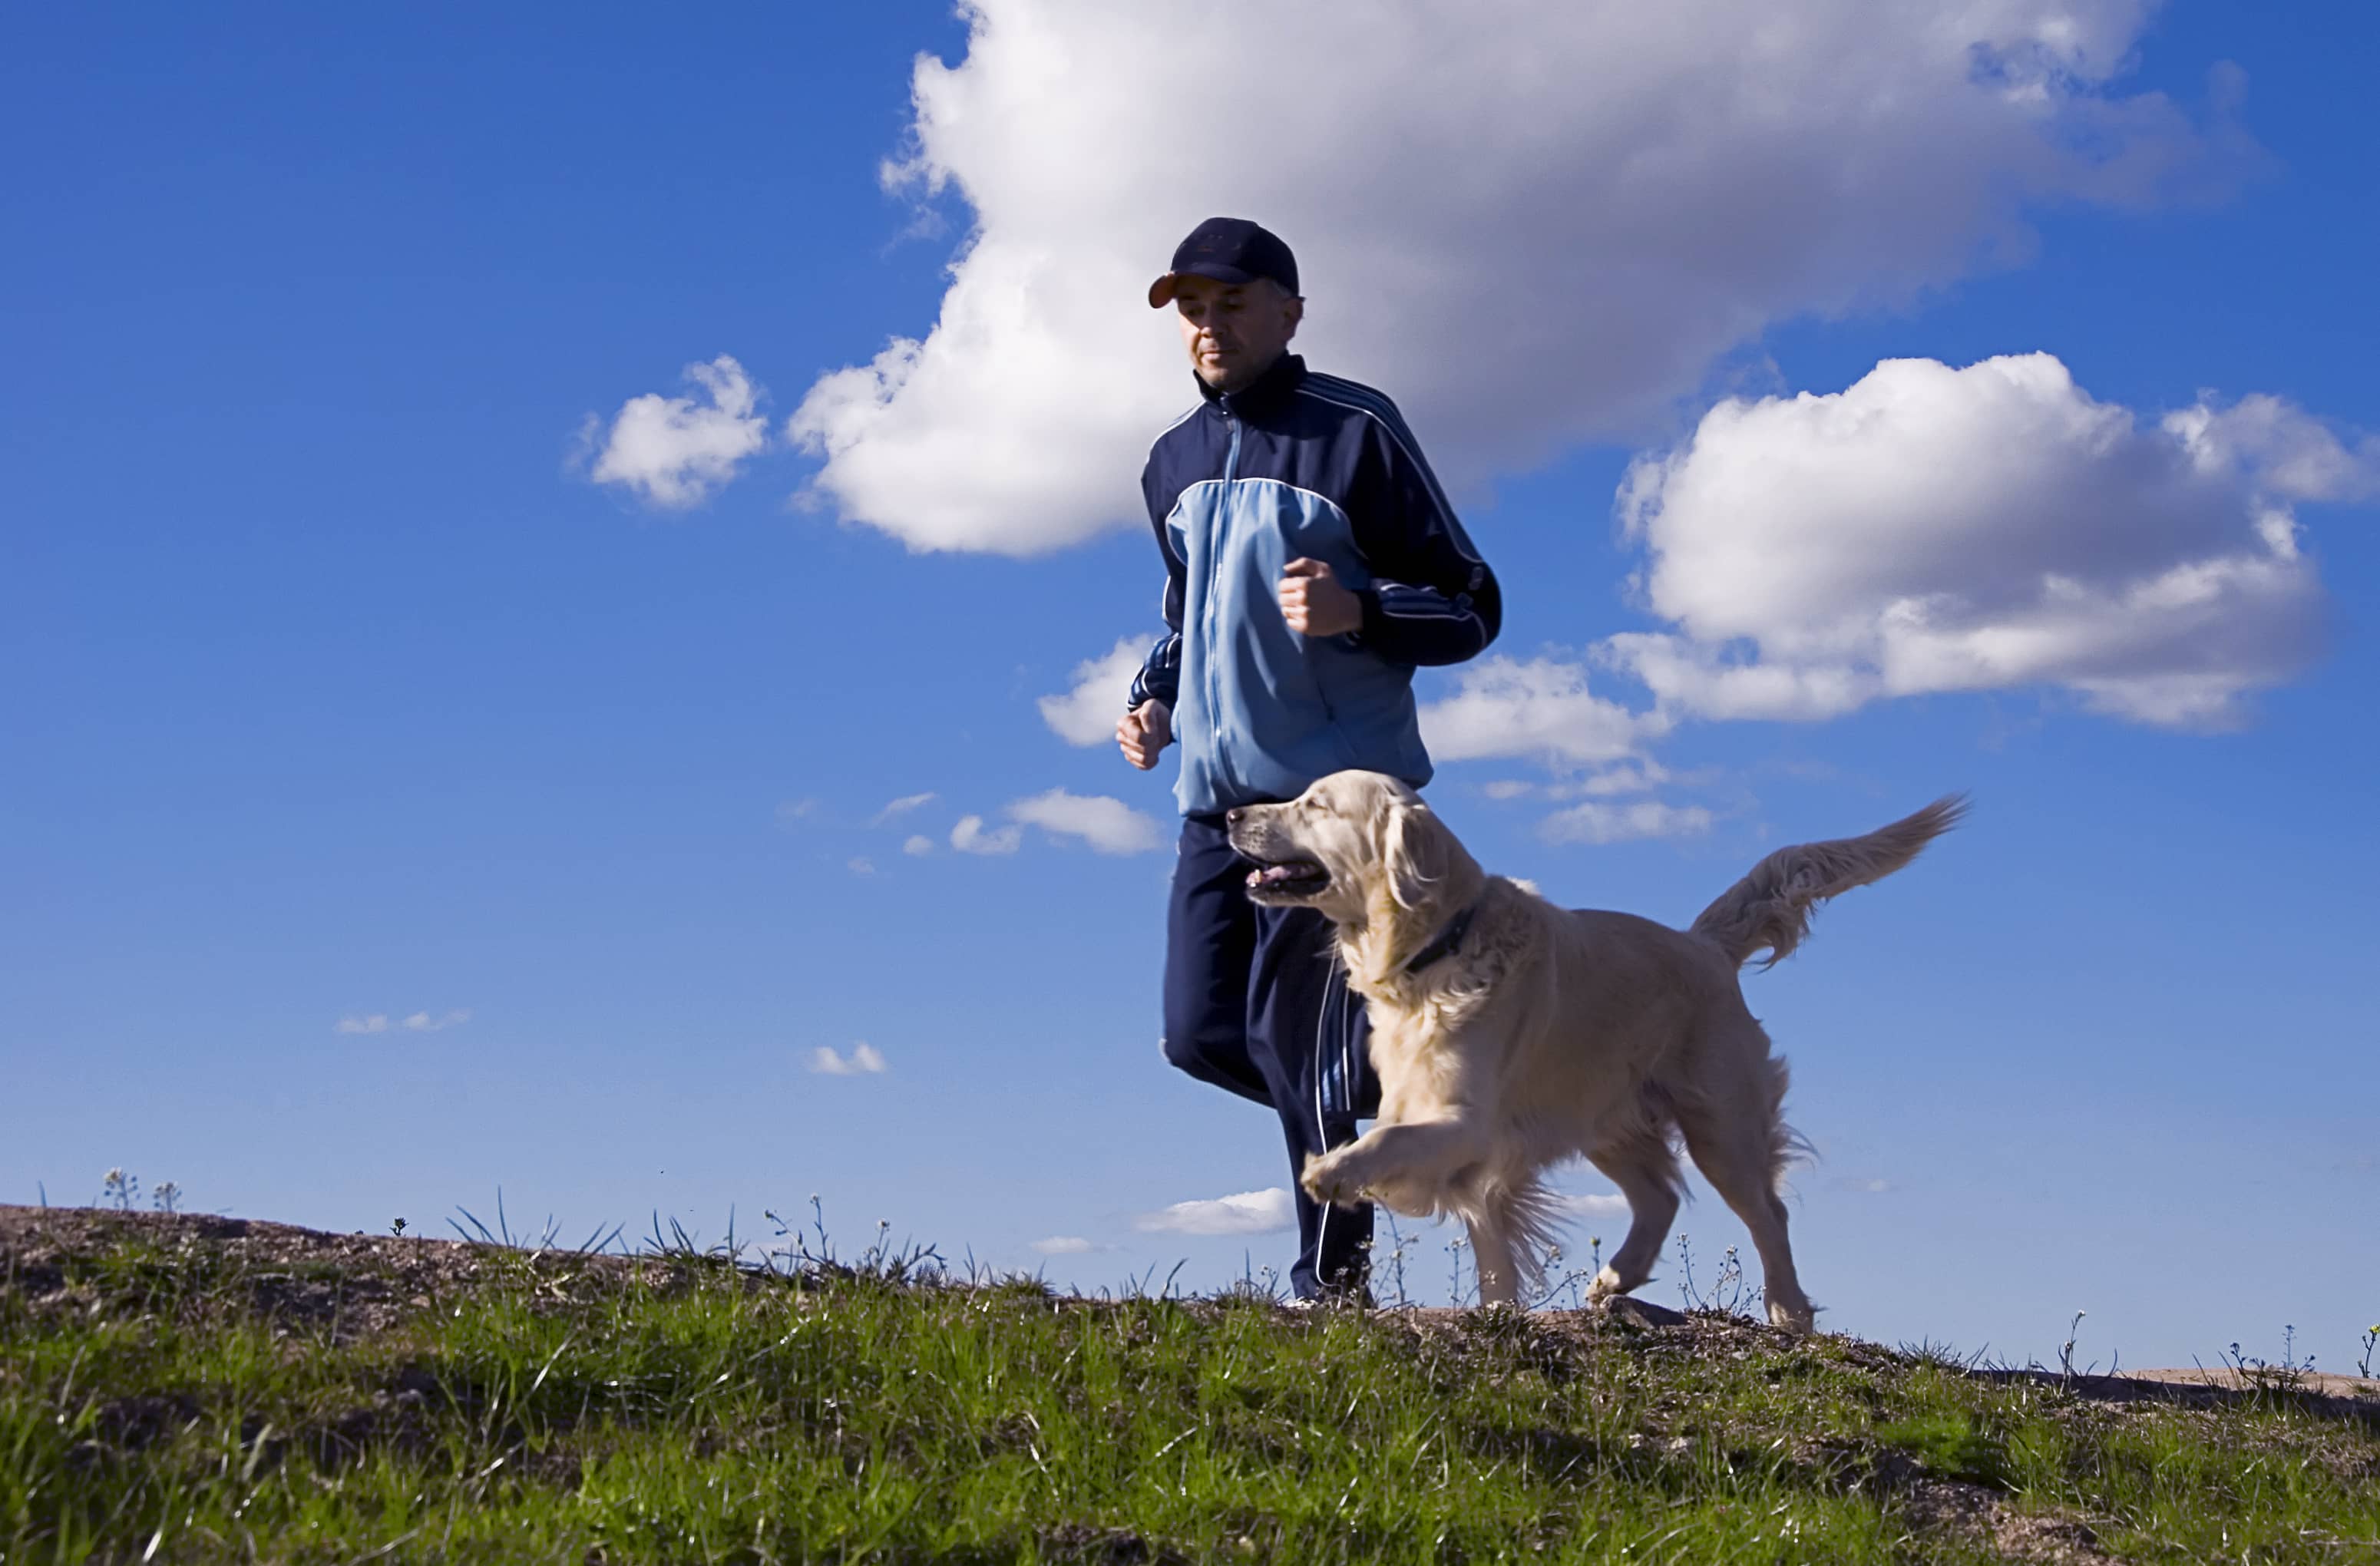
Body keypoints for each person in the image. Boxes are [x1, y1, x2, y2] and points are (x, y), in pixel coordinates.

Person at [1118, 216, 1502, 1302]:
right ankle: (1427, 1125)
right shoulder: (1170, 464)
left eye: (1231, 303)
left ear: (1289, 311)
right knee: (1200, 1037)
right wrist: (1153, 699)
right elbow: (1191, 619)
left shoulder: (1357, 430)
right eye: (1192, 308)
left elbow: (1474, 605)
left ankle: (1330, 1293)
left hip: (1334, 815)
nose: (1208, 325)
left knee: (1305, 1045)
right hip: (1218, 810)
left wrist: (1362, 609)